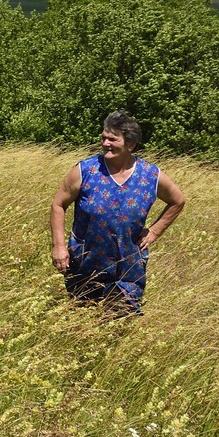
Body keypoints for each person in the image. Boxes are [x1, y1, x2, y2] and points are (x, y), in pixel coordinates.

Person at [50, 111, 185, 315]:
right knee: (81, 323)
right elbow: (58, 205)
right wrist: (59, 247)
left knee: (118, 324)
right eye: (103, 138)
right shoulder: (85, 170)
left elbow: (178, 201)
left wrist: (155, 231)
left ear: (130, 144)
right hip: (85, 263)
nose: (105, 143)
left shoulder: (150, 175)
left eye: (112, 139)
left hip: (128, 268)